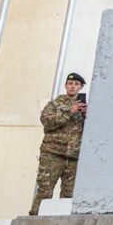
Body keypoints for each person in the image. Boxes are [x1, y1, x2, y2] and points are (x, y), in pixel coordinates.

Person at [30, 72, 87, 215]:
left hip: (73, 156)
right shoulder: (55, 104)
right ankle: (35, 219)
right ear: (66, 85)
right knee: (45, 190)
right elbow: (46, 122)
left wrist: (87, 116)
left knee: (69, 195)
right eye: (70, 84)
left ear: (81, 87)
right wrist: (69, 111)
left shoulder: (84, 107)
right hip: (53, 154)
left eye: (76, 84)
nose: (73, 87)